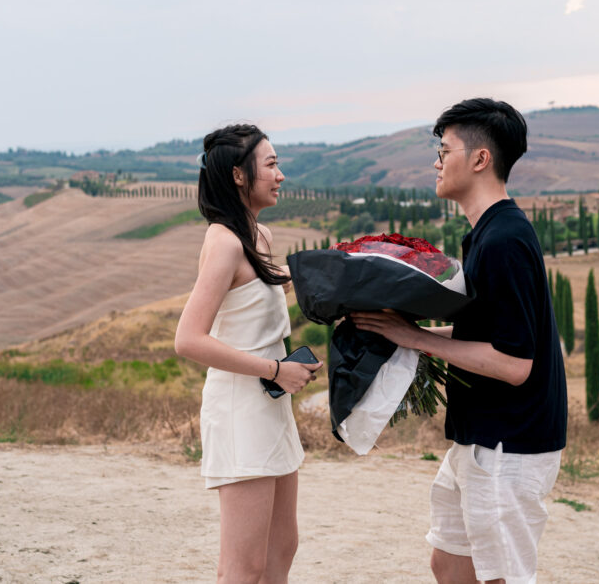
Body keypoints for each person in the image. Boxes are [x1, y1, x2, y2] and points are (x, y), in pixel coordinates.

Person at [352, 98, 567, 584]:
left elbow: (514, 363)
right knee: (448, 564)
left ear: (479, 159)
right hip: (481, 438)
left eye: (444, 149)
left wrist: (413, 337)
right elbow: (486, 336)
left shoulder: (503, 241)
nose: (436, 161)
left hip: (508, 444)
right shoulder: (488, 233)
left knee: (500, 577)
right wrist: (410, 334)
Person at [175, 124, 322, 584]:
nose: (281, 175)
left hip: (270, 406)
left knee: (283, 546)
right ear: (240, 175)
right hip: (241, 409)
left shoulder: (259, 234)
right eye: (272, 164)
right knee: (243, 568)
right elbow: (188, 339)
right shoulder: (224, 241)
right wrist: (276, 369)